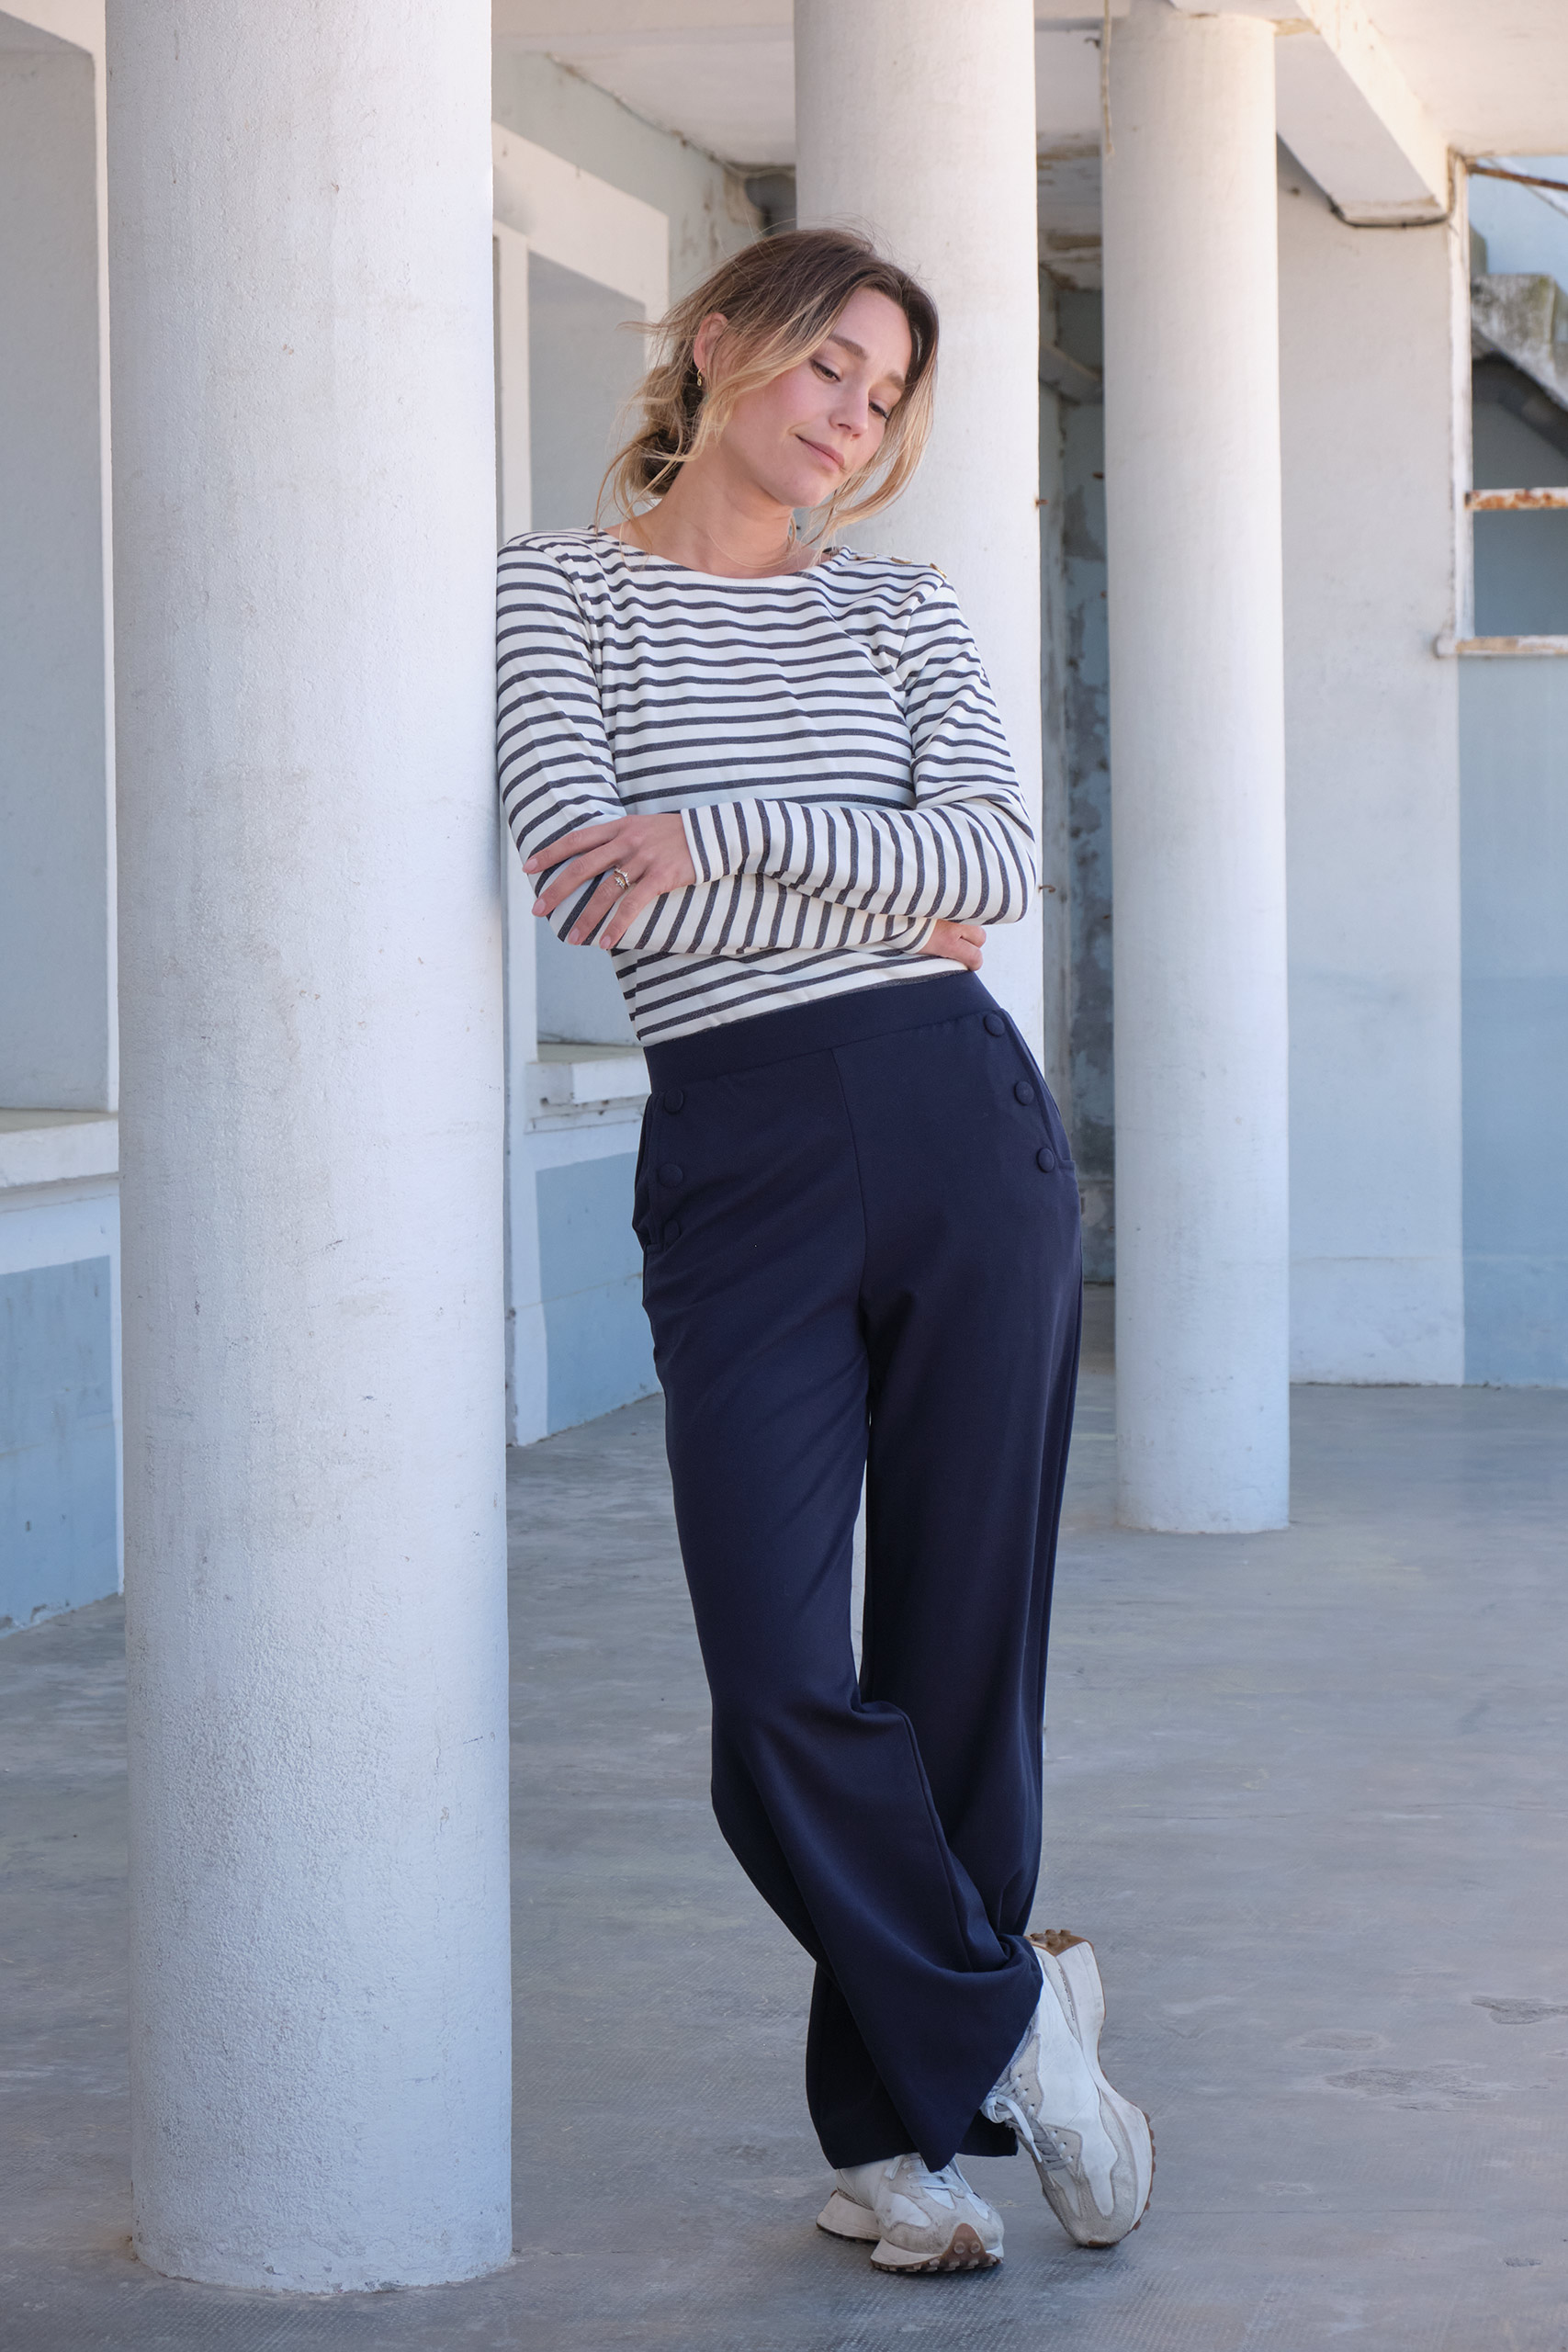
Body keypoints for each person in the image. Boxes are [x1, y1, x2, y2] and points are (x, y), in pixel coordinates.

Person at [496, 227, 1152, 2277]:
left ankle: (894, 2147)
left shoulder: (899, 603)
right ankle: (1012, 2015)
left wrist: (717, 832)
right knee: (778, 1678)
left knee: (960, 1657)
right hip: (738, 1149)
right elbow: (574, 864)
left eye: (882, 397)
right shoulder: (557, 591)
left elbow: (992, 866)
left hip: (958, 1125)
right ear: (722, 343)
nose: (851, 419)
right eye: (825, 368)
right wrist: (858, 877)